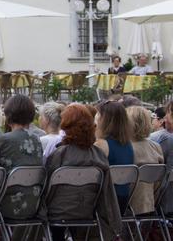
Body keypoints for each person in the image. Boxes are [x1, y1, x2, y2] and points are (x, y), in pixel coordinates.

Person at [44, 104, 121, 241]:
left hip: (57, 212)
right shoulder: (98, 155)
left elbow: (46, 185)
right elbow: (106, 191)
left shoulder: (60, 154)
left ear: (66, 126)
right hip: (87, 210)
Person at [0, 94, 43, 221]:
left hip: (4, 204)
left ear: (8, 115)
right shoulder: (36, 140)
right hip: (33, 203)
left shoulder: (2, 139)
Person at [94, 100, 135, 211]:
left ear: (105, 119)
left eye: (98, 114)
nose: (95, 117)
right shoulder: (128, 144)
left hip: (106, 199)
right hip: (123, 197)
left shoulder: (101, 144)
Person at [126, 106, 164, 215]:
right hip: (150, 202)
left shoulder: (124, 148)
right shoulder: (156, 147)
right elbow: (159, 181)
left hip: (125, 205)